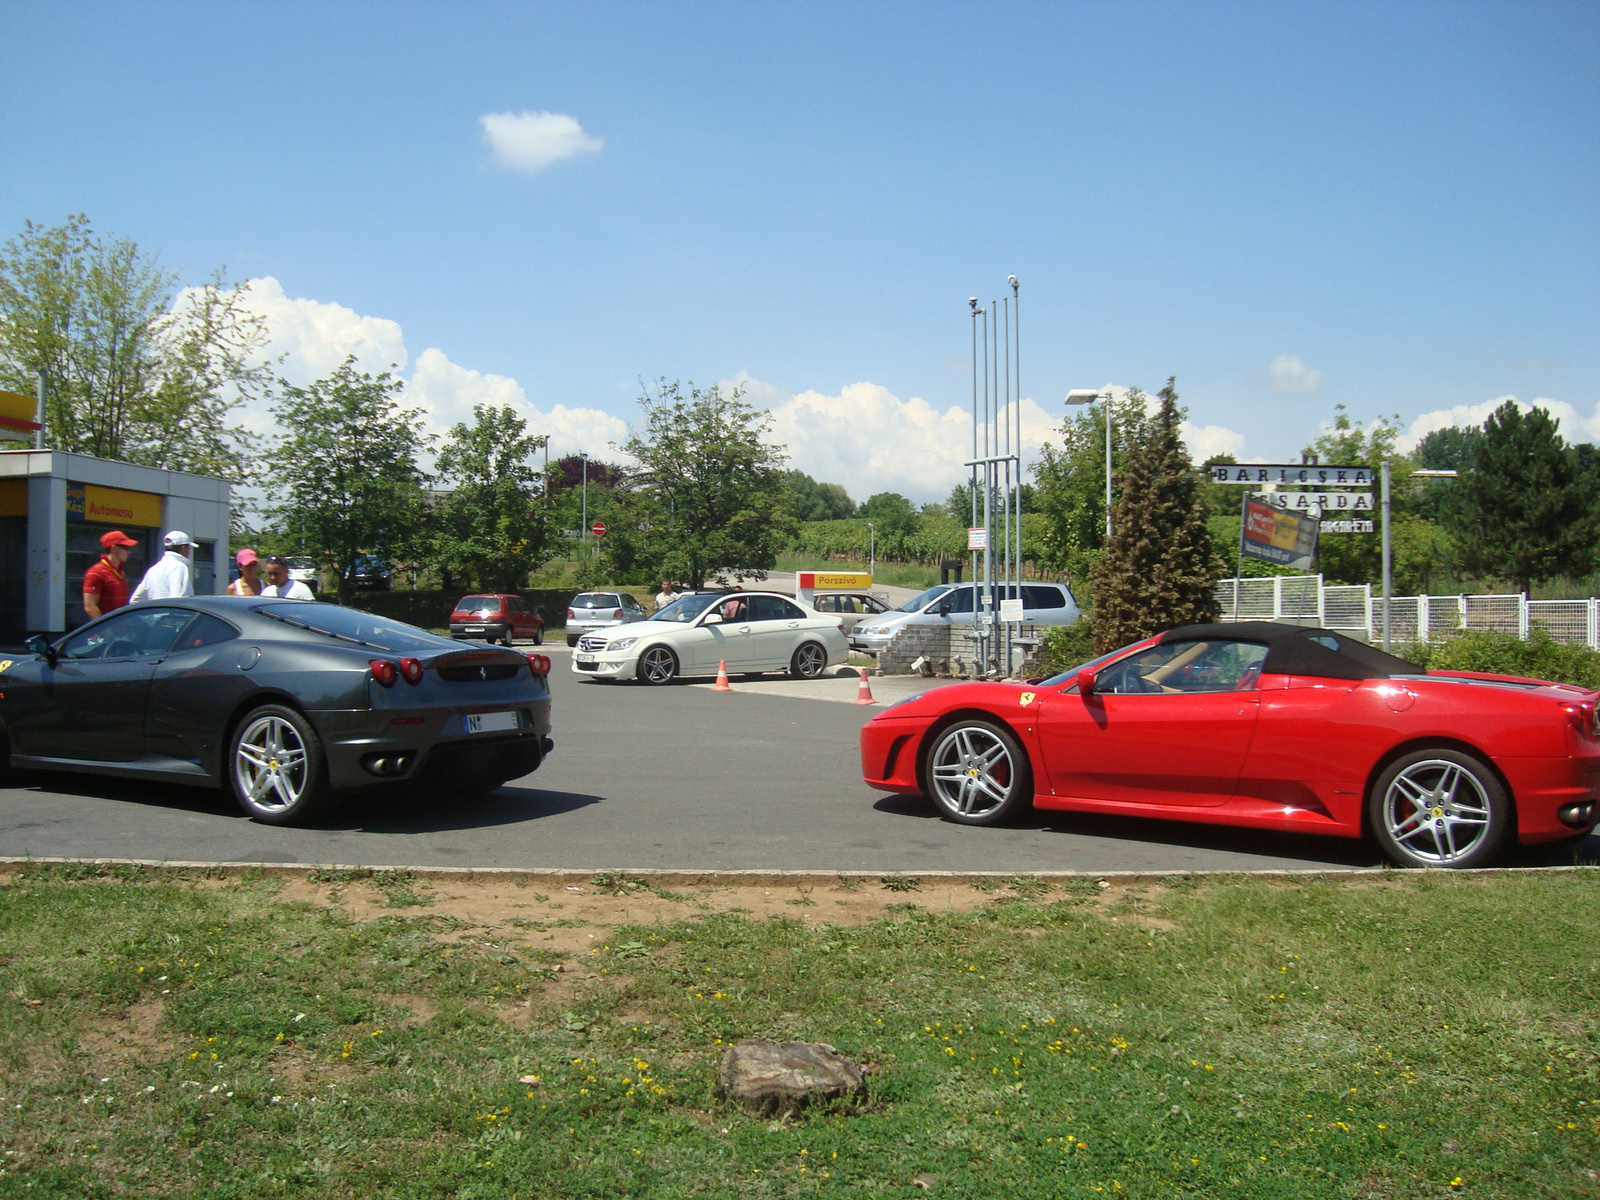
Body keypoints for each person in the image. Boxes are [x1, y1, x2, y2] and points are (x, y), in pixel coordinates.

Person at [83, 529, 139, 619]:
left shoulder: (121, 574)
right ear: (114, 548)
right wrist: (104, 631)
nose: (128, 551)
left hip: (122, 629)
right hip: (106, 630)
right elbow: (90, 607)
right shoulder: (95, 572)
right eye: (126, 548)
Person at [130, 530, 195, 602]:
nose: (189, 552)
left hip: (156, 612)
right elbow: (177, 599)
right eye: (189, 548)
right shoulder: (179, 567)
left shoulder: (153, 569)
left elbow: (135, 600)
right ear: (183, 547)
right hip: (172, 612)